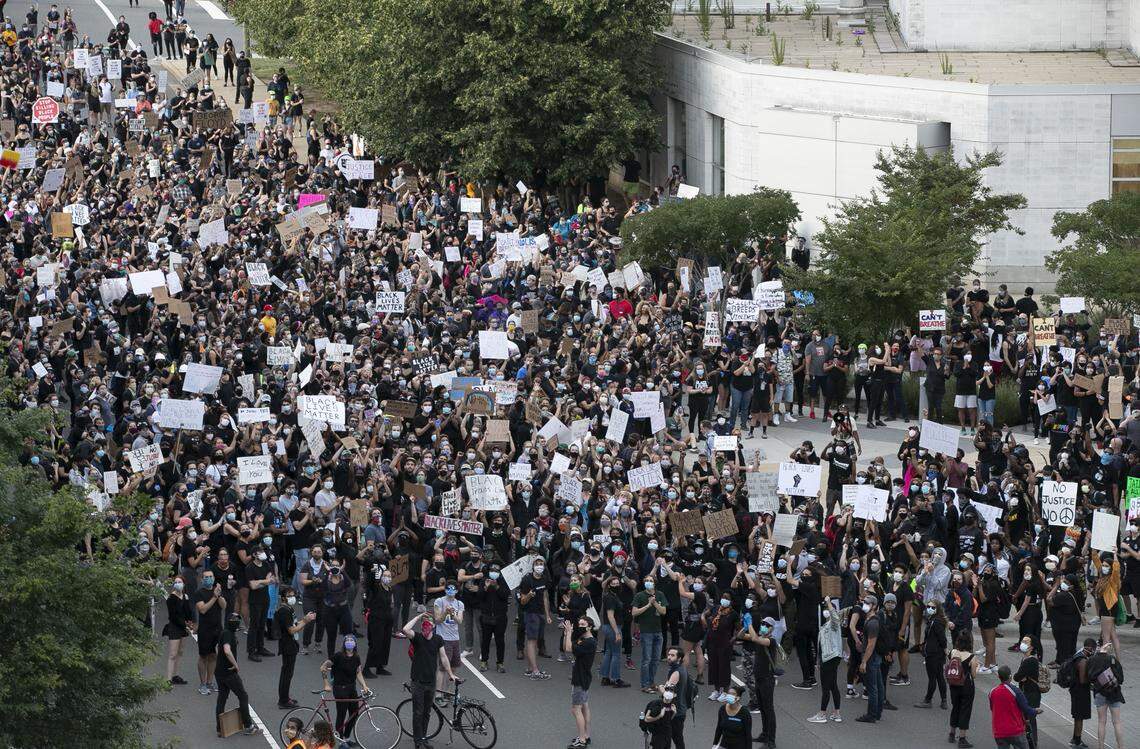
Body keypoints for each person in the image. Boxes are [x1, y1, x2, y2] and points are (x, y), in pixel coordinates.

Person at [403, 611, 458, 749]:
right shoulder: (417, 638)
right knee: (418, 712)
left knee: (426, 712)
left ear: (434, 625)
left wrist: (450, 673)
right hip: (417, 682)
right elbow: (405, 629)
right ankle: (418, 741)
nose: (426, 625)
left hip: (431, 682)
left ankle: (423, 737)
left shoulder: (438, 639)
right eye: (424, 623)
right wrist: (417, 617)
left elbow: (444, 657)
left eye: (429, 622)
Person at [215, 614, 259, 736]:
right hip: (229, 673)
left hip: (219, 672)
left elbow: (217, 648)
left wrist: (221, 661)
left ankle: (220, 728)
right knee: (243, 696)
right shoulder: (229, 635)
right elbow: (227, 650)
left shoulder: (224, 632)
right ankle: (248, 726)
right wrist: (235, 664)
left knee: (222, 698)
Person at [320, 634, 370, 739]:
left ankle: (346, 738)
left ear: (355, 644)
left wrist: (364, 685)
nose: (350, 642)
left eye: (352, 640)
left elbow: (358, 672)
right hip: (340, 689)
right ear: (344, 643)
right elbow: (323, 667)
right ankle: (341, 739)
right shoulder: (338, 656)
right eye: (348, 640)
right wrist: (326, 684)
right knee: (341, 714)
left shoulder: (356, 657)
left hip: (352, 688)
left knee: (354, 713)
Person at [274, 586, 315, 709]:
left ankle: (285, 697)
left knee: (287, 672)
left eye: (293, 595)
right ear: (283, 598)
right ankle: (283, 700)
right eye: (289, 596)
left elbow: (294, 624)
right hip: (288, 644)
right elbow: (291, 630)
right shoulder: (284, 611)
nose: (292, 598)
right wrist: (306, 621)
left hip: (290, 643)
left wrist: (303, 620)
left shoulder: (288, 608)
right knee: (287, 673)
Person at [989, 665, 1042, 749]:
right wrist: (1036, 711)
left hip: (999, 731)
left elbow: (993, 708)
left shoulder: (992, 692)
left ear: (999, 677)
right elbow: (1026, 709)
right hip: (1015, 730)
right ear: (1010, 676)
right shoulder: (1015, 691)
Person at [563, 616, 596, 748]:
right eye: (579, 623)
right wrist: (567, 634)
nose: (580, 626)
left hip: (580, 678)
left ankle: (582, 740)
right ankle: (586, 735)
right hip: (584, 677)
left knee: (576, 709)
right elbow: (569, 646)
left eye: (583, 624)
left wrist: (569, 633)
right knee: (584, 706)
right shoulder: (584, 639)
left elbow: (569, 649)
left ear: (589, 627)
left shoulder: (589, 642)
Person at [518, 557, 552, 680]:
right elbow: (522, 601)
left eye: (541, 563)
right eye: (537, 563)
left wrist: (547, 615)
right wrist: (529, 595)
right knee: (532, 641)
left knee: (536, 640)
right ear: (533, 566)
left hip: (541, 613)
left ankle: (529, 668)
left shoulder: (544, 579)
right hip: (530, 613)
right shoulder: (527, 580)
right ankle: (535, 670)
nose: (539, 566)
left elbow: (545, 597)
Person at [634, 574, 668, 693]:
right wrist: (648, 605)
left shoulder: (660, 595)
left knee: (656, 659)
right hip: (646, 632)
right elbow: (634, 612)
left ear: (654, 583)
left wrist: (654, 603)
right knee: (646, 659)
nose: (648, 582)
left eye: (650, 580)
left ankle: (651, 681)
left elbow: (663, 611)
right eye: (646, 580)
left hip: (658, 631)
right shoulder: (639, 595)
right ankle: (645, 684)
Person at [1086, 643, 1125, 749]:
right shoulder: (1112, 659)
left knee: (1101, 721)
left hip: (1099, 693)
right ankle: (1120, 746)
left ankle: (1101, 746)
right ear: (1109, 650)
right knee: (1116, 722)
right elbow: (1121, 679)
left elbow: (1089, 677)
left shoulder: (1092, 660)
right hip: (1114, 693)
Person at [195, 570, 227, 696]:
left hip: (217, 628)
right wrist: (214, 597)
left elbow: (224, 606)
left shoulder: (217, 591)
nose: (209, 579)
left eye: (211, 576)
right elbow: (202, 609)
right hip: (205, 629)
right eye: (206, 577)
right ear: (202, 580)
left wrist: (218, 595)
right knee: (203, 656)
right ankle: (202, 684)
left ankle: (209, 682)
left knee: (214, 655)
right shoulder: (199, 593)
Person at [855, 595, 885, 724]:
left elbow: (871, 644)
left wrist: (864, 661)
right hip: (875, 658)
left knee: (872, 687)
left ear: (873, 606)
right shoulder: (871, 619)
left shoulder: (872, 623)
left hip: (871, 658)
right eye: (864, 602)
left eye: (867, 603)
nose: (864, 605)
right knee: (878, 685)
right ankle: (877, 713)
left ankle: (871, 715)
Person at [947, 631, 979, 748]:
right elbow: (974, 675)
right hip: (966, 686)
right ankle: (962, 738)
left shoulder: (952, 652)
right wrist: (976, 666)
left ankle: (951, 733)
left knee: (955, 707)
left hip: (953, 685)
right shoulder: (972, 657)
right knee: (965, 710)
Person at [916, 601, 950, 709]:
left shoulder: (936, 622)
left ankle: (928, 700)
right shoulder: (935, 620)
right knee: (939, 676)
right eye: (928, 606)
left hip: (933, 653)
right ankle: (943, 700)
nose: (929, 608)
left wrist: (945, 649)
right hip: (936, 652)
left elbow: (942, 638)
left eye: (932, 607)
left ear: (937, 609)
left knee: (933, 677)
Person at [1012, 636, 1045, 749]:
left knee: (1029, 720)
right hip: (1028, 692)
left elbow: (1017, 677)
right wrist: (1021, 677)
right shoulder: (1026, 659)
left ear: (1031, 646)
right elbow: (1020, 677)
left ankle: (1032, 744)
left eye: (1026, 642)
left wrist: (1021, 677)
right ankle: (1030, 743)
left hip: (1031, 694)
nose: (1023, 643)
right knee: (1028, 719)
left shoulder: (1030, 661)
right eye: (1022, 641)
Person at [164, 576, 193, 685]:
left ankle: (175, 675)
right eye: (175, 582)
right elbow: (173, 616)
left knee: (180, 652)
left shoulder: (185, 596)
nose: (177, 584)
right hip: (175, 627)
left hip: (183, 628)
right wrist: (185, 625)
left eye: (179, 582)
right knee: (172, 654)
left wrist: (190, 621)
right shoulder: (171, 598)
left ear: (184, 584)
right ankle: (168, 679)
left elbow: (188, 612)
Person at [1068, 639, 1096, 749]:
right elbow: (1083, 680)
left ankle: (1075, 738)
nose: (1093, 651)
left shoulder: (1077, 656)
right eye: (1093, 649)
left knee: (1077, 716)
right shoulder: (1083, 661)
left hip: (1075, 690)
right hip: (1080, 692)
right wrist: (1093, 681)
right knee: (1079, 716)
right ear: (1089, 648)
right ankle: (1077, 741)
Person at [712, 684, 752, 749]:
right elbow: (719, 729)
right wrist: (714, 744)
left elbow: (748, 735)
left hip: (739, 746)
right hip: (724, 745)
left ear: (738, 697)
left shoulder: (745, 713)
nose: (729, 695)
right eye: (729, 693)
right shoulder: (722, 709)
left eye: (733, 694)